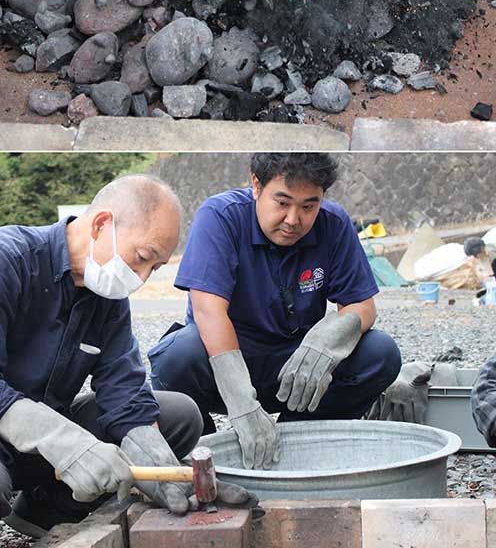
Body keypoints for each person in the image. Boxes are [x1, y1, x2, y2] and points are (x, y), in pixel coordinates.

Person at [0, 175, 255, 548]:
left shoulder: (108, 296)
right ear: (102, 224)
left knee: (180, 415)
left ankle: (43, 511)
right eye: (143, 258)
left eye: (156, 268)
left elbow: (126, 396)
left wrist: (168, 474)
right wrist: (72, 445)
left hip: (37, 446)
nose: (143, 278)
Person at [148, 154, 402, 470]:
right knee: (177, 355)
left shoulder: (333, 225)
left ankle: (296, 439)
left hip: (299, 365)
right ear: (256, 186)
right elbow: (209, 312)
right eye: (282, 203)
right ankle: (209, 456)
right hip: (230, 357)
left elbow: (362, 305)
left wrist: (327, 341)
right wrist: (241, 403)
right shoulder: (221, 217)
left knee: (381, 352)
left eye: (309, 206)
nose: (294, 219)